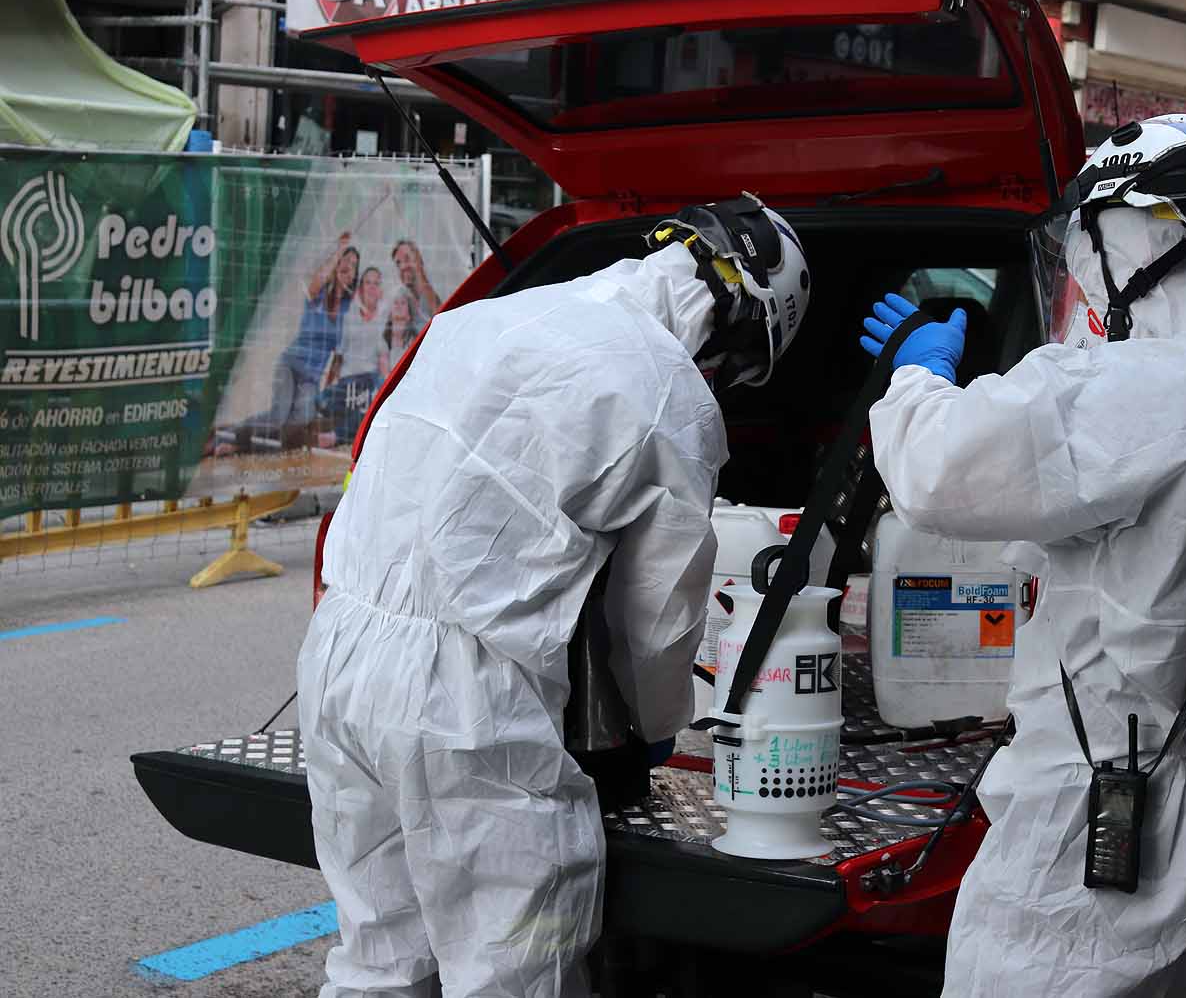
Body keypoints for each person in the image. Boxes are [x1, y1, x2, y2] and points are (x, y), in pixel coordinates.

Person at [860, 115, 1186, 997]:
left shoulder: (1136, 388)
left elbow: (933, 472)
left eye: (1094, 242)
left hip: (1089, 820)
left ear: (1146, 235)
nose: (1087, 276)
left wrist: (916, 373)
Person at [298, 195, 811, 998]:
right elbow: (658, 622)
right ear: (743, 326)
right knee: (514, 974)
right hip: (463, 704)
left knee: (378, 962)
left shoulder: (490, 317)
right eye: (742, 365)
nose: (727, 381)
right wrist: (656, 728)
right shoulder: (671, 396)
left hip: (336, 662)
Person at [320, 266, 390, 443]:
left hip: (369, 380)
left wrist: (385, 384)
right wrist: (328, 385)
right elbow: (339, 355)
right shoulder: (349, 317)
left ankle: (336, 437)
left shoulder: (384, 320)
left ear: (380, 290)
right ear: (361, 288)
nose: (372, 287)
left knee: (371, 402)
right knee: (321, 401)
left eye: (376, 283)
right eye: (368, 282)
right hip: (347, 381)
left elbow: (383, 359)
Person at [392, 238, 442, 324]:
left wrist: (420, 273)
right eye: (398, 263)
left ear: (419, 260)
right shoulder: (401, 298)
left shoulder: (438, 288)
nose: (402, 267)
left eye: (407, 259)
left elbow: (440, 316)